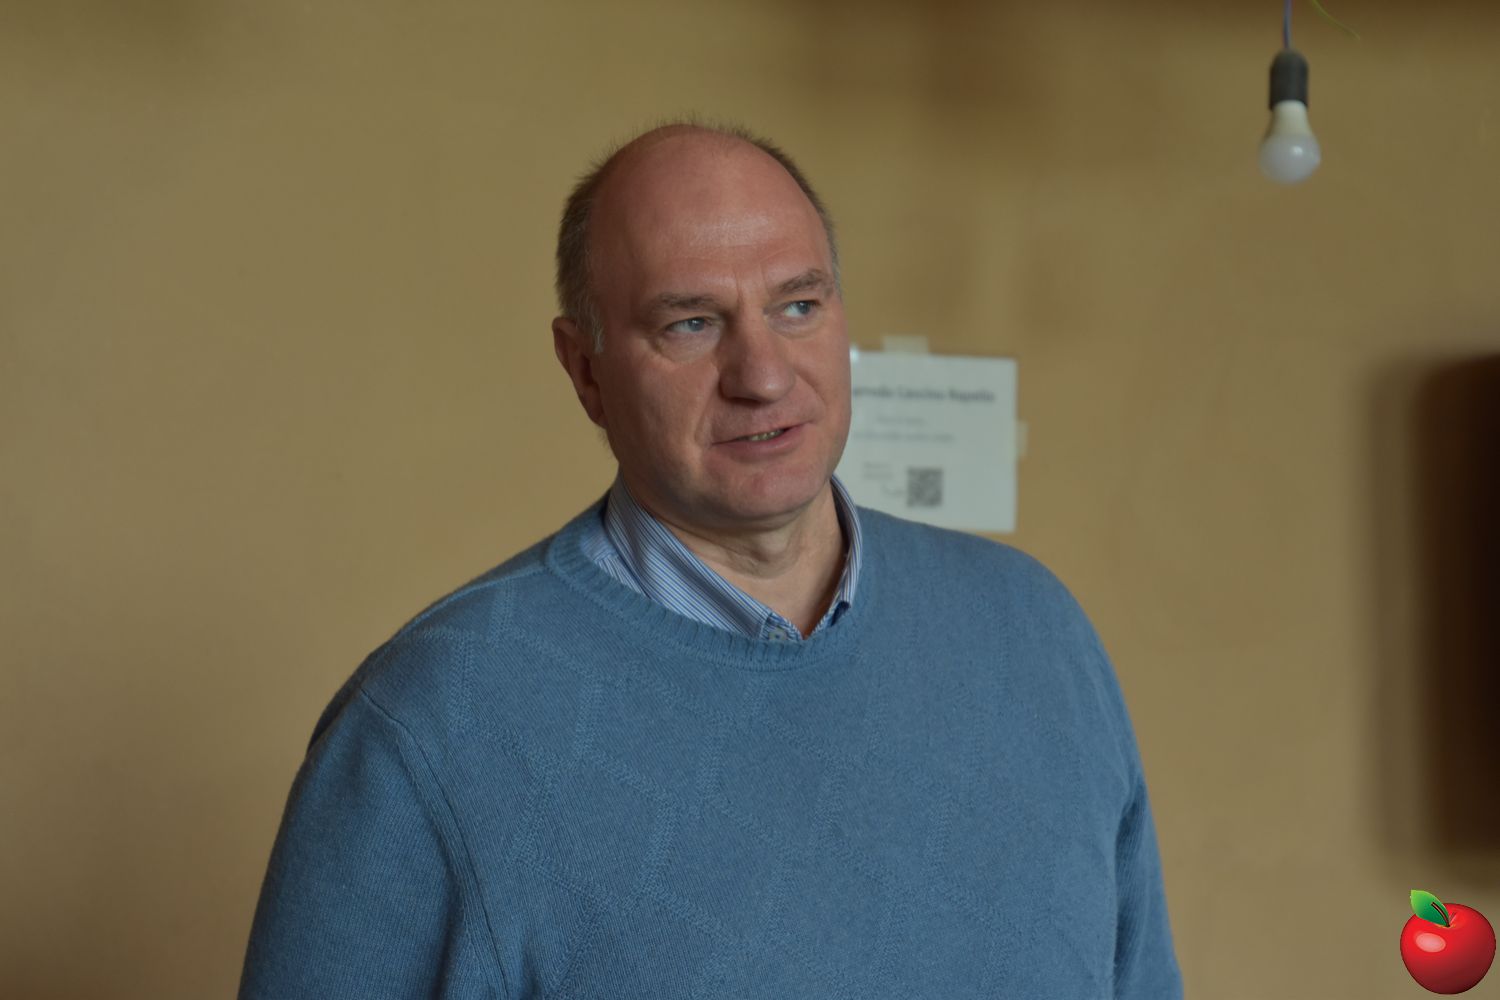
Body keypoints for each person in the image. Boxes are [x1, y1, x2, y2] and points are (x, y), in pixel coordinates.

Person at [238, 123, 1182, 999]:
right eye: (690, 323)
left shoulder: (1036, 632)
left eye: (799, 305)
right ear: (586, 370)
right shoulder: (428, 726)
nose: (763, 375)